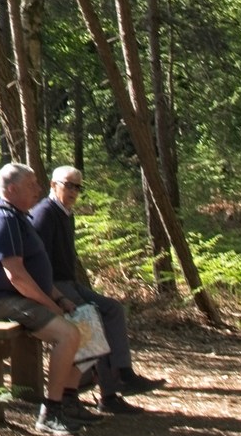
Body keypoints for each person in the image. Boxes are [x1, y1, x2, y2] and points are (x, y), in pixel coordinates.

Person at [29, 166, 164, 416]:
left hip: (70, 282)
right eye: (68, 185)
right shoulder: (44, 214)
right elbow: (37, 260)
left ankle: (123, 373)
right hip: (55, 286)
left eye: (77, 187)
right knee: (93, 320)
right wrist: (53, 296)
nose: (73, 192)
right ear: (52, 185)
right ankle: (107, 394)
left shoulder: (66, 214)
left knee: (113, 309)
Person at [0, 162, 86, 436]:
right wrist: (50, 306)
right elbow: (17, 277)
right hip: (3, 301)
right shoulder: (3, 220)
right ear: (12, 189)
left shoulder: (19, 217)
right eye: (31, 185)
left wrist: (59, 298)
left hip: (21, 297)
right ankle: (50, 413)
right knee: (68, 334)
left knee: (83, 323)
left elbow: (36, 273)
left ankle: (68, 401)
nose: (38, 189)